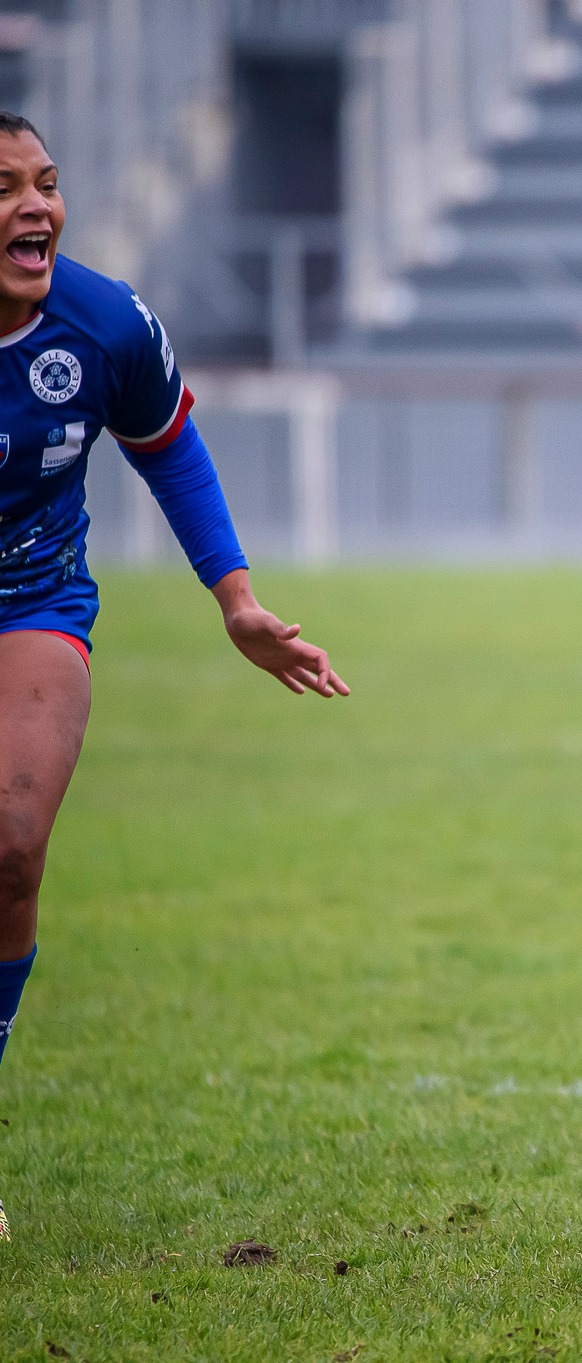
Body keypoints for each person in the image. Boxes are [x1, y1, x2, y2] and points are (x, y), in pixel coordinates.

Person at [0, 115, 346, 1236]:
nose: (37, 208)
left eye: (48, 184)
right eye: (7, 189)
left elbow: (168, 445)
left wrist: (236, 598)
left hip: (33, 601)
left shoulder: (102, 323)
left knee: (11, 849)